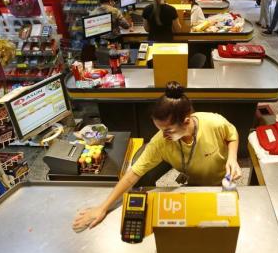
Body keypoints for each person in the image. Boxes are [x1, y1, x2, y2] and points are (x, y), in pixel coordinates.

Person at [72, 81, 242, 232]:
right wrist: (103, 207)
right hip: (193, 188)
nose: (163, 135)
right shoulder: (160, 142)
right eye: (160, 129)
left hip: (222, 185)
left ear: (187, 121)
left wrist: (232, 158)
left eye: (168, 130)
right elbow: (132, 175)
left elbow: (232, 135)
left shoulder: (214, 123)